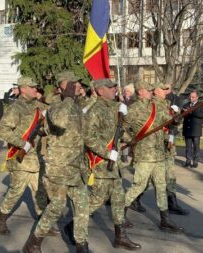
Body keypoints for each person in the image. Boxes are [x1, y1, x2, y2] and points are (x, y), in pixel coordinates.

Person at [22, 77, 89, 252]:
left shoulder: (76, 107)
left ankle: (81, 245)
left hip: (77, 167)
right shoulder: (55, 107)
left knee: (82, 207)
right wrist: (67, 97)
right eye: (74, 83)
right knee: (56, 207)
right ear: (64, 86)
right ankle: (33, 243)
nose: (79, 86)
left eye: (79, 84)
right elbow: (60, 122)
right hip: (59, 167)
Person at [80, 78, 141, 250]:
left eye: (115, 86)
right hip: (101, 164)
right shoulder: (94, 110)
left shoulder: (116, 108)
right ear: (100, 91)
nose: (115, 89)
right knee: (97, 200)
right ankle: (75, 225)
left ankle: (120, 237)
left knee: (118, 199)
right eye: (111, 87)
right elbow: (89, 137)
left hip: (114, 166)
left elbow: (119, 133)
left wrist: (131, 140)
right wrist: (108, 153)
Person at [123, 80, 184, 234]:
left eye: (152, 90)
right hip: (144, 154)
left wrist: (176, 119)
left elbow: (168, 119)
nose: (151, 92)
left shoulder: (154, 106)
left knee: (161, 186)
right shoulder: (133, 108)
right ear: (140, 92)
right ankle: (120, 214)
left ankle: (165, 219)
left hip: (159, 154)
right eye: (148, 90)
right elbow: (122, 127)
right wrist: (130, 139)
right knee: (139, 186)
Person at [0, 77, 52, 236]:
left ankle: (43, 223)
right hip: (22, 158)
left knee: (39, 191)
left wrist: (42, 131)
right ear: (23, 89)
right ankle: (0, 219)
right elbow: (3, 130)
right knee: (16, 192)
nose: (35, 90)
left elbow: (43, 126)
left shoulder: (38, 107)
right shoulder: (15, 108)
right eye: (32, 87)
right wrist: (21, 143)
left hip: (36, 157)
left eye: (35, 87)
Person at [153, 82, 189, 216]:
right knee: (146, 179)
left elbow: (175, 121)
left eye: (167, 89)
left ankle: (172, 203)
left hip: (168, 142)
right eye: (163, 89)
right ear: (156, 91)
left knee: (171, 175)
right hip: (156, 146)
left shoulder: (169, 103)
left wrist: (177, 116)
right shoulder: (153, 105)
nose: (166, 91)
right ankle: (132, 201)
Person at [182, 91, 203, 168]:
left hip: (196, 129)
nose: (191, 98)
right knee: (188, 146)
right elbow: (182, 114)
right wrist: (184, 112)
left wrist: (191, 111)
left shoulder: (201, 105)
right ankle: (188, 161)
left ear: (197, 97)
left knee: (196, 146)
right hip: (187, 129)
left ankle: (195, 161)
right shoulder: (186, 105)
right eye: (190, 97)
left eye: (193, 97)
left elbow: (202, 115)